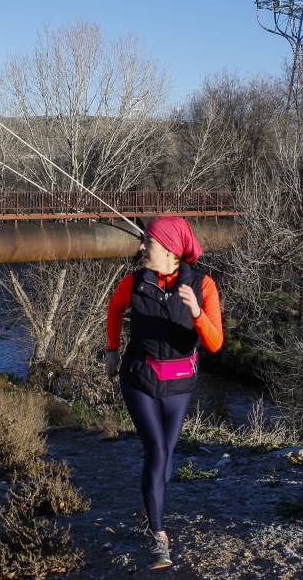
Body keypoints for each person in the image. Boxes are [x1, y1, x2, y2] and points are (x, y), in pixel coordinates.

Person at [105, 216, 223, 570]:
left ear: (171, 250)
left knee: (166, 456)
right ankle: (158, 536)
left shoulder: (203, 285)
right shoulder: (134, 281)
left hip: (179, 383)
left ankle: (150, 504)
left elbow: (215, 343)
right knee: (156, 449)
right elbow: (115, 309)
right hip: (138, 377)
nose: (142, 247)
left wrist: (197, 313)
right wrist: (112, 351)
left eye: (149, 243)